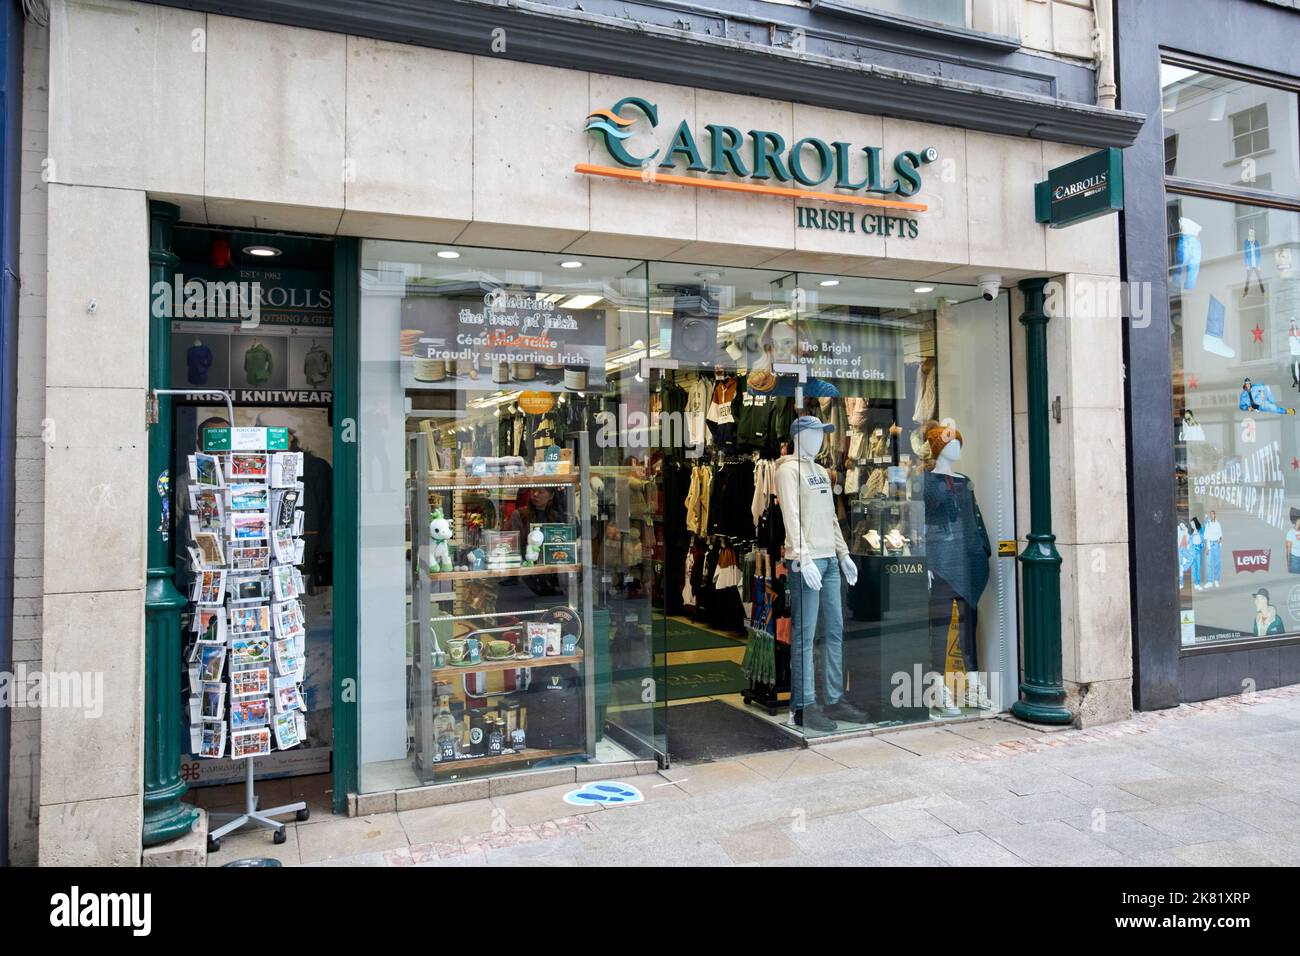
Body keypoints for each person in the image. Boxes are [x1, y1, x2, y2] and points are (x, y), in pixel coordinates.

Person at [506, 486, 565, 596]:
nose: (535, 495)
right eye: (533, 491)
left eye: (540, 492)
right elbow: (515, 545)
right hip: (526, 578)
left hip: (552, 575)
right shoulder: (519, 515)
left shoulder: (557, 516)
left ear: (551, 496)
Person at [1203, 510, 1223, 588]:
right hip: (1210, 544)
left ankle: (1216, 580)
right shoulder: (1208, 524)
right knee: (1208, 563)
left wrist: (1219, 540)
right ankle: (1209, 582)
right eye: (1210, 514)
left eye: (1213, 514)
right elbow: (1205, 536)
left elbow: (1221, 535)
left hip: (1216, 545)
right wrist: (1207, 547)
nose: (1211, 516)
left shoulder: (1218, 524)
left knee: (1217, 563)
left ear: (1215, 515)